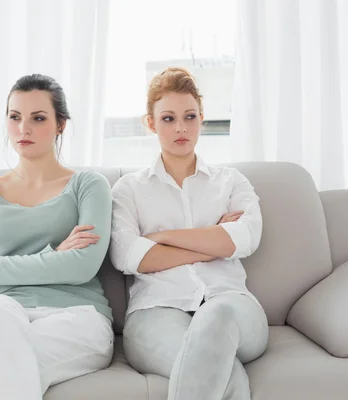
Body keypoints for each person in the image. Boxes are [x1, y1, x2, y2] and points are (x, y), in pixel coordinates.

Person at [0, 74, 114, 400]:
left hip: (77, 318)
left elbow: (82, 267)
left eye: (38, 118)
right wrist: (55, 257)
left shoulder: (89, 186)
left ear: (60, 125)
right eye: (15, 117)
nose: (23, 128)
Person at [110, 67, 268, 400]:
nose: (181, 127)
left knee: (217, 315)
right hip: (155, 311)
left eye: (190, 116)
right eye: (168, 118)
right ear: (151, 123)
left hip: (232, 305)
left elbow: (245, 238)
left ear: (202, 118)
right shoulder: (129, 189)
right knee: (221, 369)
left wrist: (161, 238)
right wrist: (212, 241)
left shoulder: (231, 181)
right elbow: (128, 255)